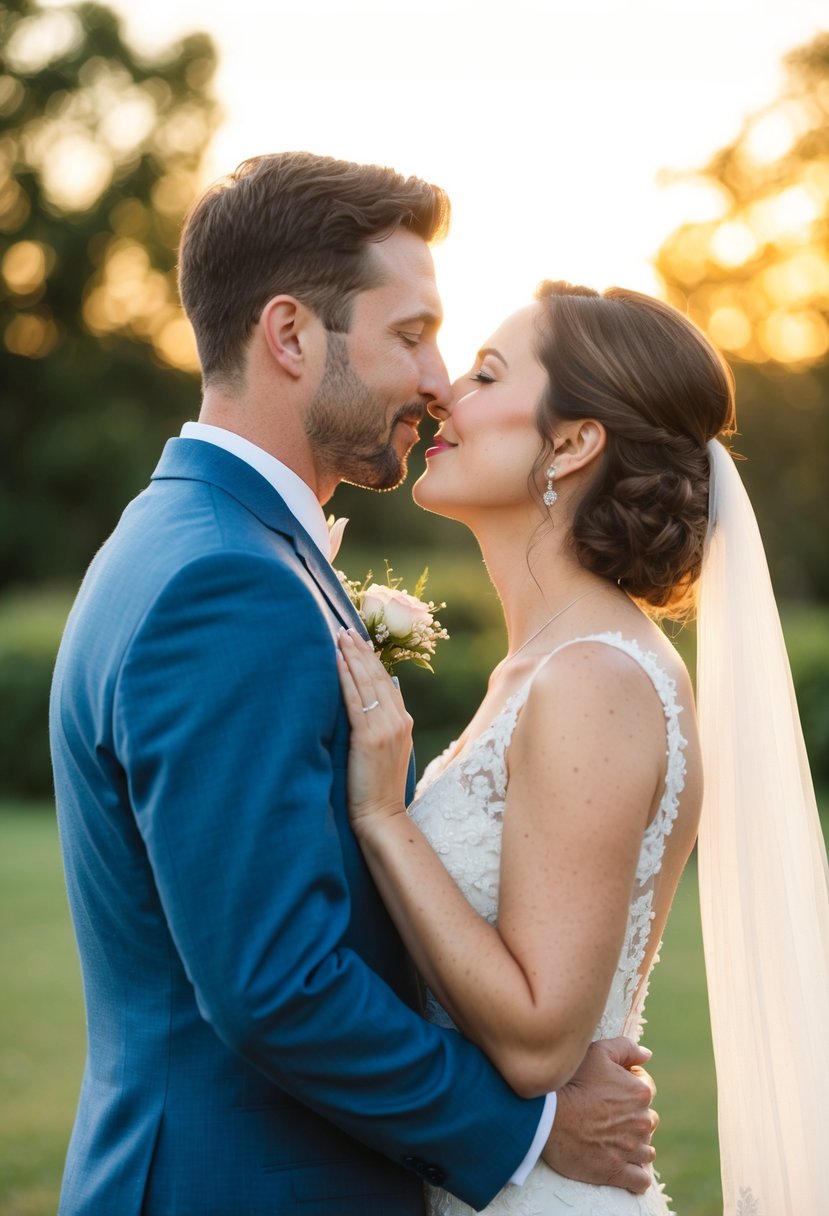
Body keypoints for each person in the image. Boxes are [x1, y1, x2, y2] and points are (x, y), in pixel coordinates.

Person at [49, 154, 659, 1216]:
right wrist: (535, 1129)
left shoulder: (209, 539)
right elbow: (275, 985)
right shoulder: (225, 582)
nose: (436, 384)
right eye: (411, 336)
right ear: (290, 335)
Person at [336, 281, 829, 1215]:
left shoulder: (593, 682)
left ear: (570, 442)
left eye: (485, 373)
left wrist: (382, 816)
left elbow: (536, 1043)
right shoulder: (543, 667)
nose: (442, 392)